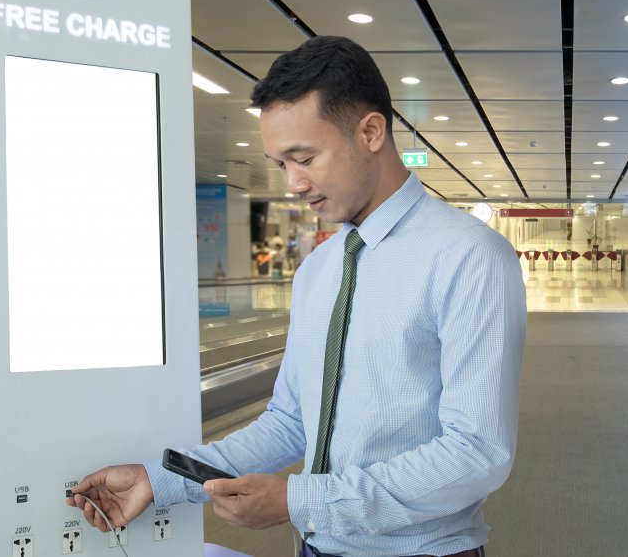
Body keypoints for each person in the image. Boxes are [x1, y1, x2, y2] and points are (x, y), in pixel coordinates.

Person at [67, 35, 527, 557]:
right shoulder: (318, 270)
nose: (293, 182)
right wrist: (160, 480)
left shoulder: (468, 256)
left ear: (371, 131)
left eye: (304, 157)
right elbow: (290, 422)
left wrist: (300, 499)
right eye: (281, 163)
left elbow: (477, 452)